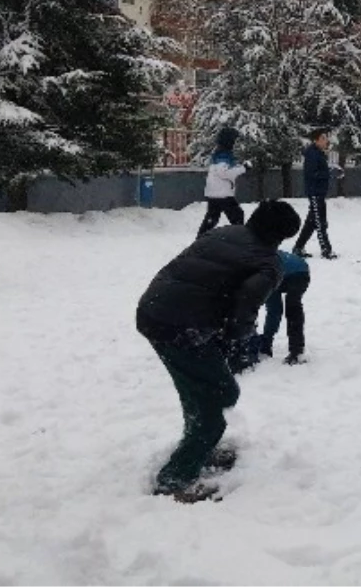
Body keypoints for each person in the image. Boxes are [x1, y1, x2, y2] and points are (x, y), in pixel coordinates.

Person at [137, 200, 301, 502]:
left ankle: (199, 447)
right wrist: (236, 339)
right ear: (284, 235)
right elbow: (246, 307)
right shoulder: (268, 263)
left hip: (152, 311)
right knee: (220, 394)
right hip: (182, 327)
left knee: (195, 389)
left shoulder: (225, 232)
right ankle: (176, 477)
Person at [292, 129, 340, 260]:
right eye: (323, 138)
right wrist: (329, 173)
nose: (326, 141)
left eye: (326, 138)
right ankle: (326, 250)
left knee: (312, 222)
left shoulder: (318, 153)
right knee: (321, 222)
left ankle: (298, 248)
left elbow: (319, 171)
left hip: (318, 192)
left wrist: (331, 171)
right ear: (316, 140)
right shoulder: (312, 154)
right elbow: (312, 174)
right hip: (315, 192)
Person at [259, 250, 310, 364]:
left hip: (298, 272)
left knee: (292, 307)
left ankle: (297, 351)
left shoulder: (258, 262)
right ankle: (265, 345)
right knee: (275, 309)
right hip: (279, 271)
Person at [197, 127, 248, 239]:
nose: (236, 142)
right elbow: (224, 172)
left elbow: (225, 169)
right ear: (229, 140)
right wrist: (243, 168)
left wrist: (239, 167)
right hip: (222, 193)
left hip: (214, 192)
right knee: (237, 216)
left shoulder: (220, 152)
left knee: (212, 218)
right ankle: (240, 239)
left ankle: (201, 239)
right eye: (234, 140)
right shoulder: (224, 154)